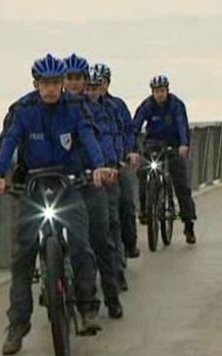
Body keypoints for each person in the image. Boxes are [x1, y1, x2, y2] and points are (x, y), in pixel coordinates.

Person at [0, 54, 106, 355]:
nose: (51, 89)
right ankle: (18, 324)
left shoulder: (75, 108)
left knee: (81, 244)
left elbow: (89, 139)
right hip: (34, 187)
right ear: (36, 84)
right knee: (23, 257)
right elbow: (10, 142)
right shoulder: (24, 110)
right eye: (45, 84)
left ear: (63, 84)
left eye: (56, 83)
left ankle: (87, 307)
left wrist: (99, 167)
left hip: (68, 184)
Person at [64, 54, 128, 312]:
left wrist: (107, 165)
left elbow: (101, 140)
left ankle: (111, 295)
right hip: (61, 182)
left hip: (94, 177)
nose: (77, 85)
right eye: (71, 79)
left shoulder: (98, 109)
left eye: (82, 80)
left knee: (102, 236)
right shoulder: (53, 106)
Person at [134, 75, 197, 244]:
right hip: (153, 144)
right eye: (156, 91)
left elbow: (182, 125)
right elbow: (135, 125)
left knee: (181, 183)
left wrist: (184, 144)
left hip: (173, 145)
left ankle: (188, 223)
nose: (159, 94)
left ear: (167, 90)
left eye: (162, 91)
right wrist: (133, 147)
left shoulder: (176, 105)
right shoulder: (147, 105)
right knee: (142, 172)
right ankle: (145, 210)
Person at [83, 66, 125, 318]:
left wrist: (110, 164)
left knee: (105, 231)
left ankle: (112, 291)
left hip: (102, 177)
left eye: (92, 86)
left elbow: (106, 139)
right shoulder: (65, 109)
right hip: (70, 182)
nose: (88, 91)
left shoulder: (108, 109)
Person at [94, 62, 142, 259]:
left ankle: (129, 245)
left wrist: (130, 151)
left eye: (103, 82)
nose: (100, 86)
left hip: (118, 163)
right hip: (92, 169)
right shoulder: (79, 107)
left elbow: (128, 130)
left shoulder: (117, 106)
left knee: (126, 204)